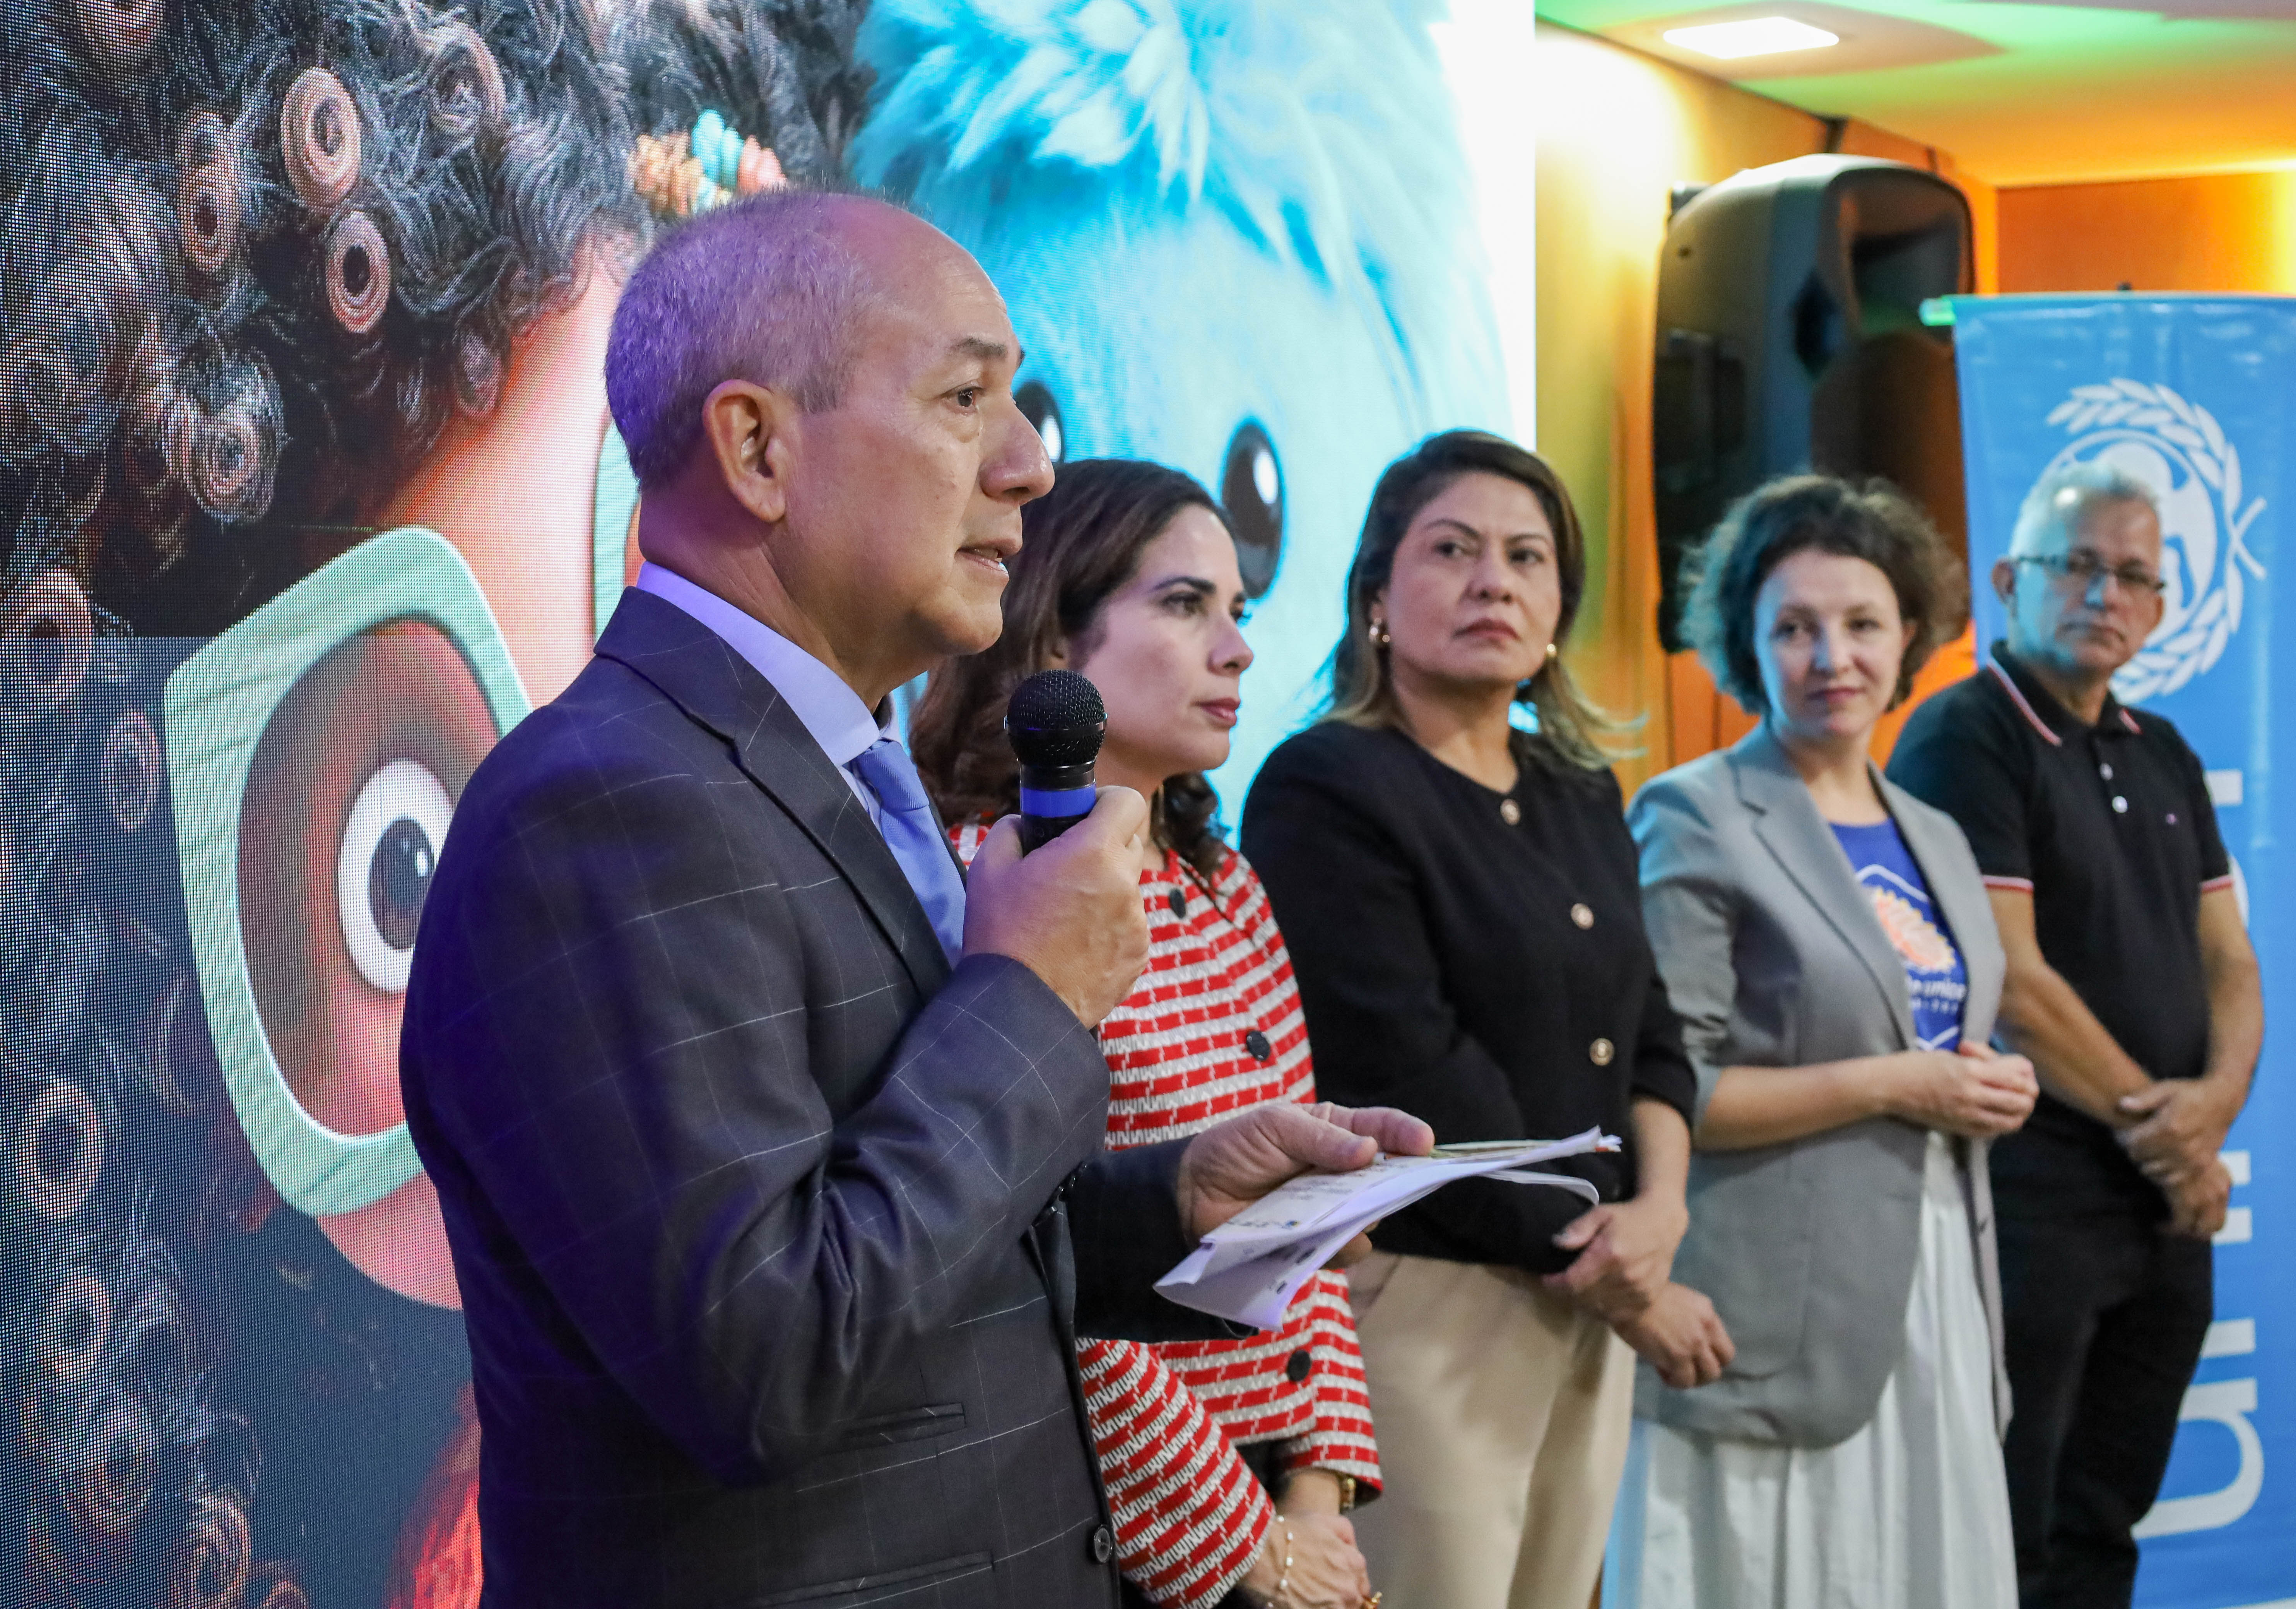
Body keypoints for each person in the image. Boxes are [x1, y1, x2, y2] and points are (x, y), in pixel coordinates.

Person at [397, 191, 1431, 1608]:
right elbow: (765, 1356)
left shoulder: (822, 770)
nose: (1028, 466)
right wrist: (1031, 999)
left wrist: (1174, 1202)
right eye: (964, 400)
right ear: (758, 448)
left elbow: (908, 1253)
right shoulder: (605, 811)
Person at [1243, 430, 1730, 1609]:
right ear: (1376, 593)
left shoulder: (1580, 790)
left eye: (1526, 558)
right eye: (1452, 551)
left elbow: (1651, 1036)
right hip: (1427, 1305)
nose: (1493, 583)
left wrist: (1661, 1215)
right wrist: (1628, 1280)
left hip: (1591, 1290)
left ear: (1559, 607)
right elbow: (1415, 1072)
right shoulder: (1325, 786)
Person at [916, 458, 1381, 1609]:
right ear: (1054, 640)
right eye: (1184, 604)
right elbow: (1025, 1259)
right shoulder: (986, 882)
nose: (1238, 650)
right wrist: (1250, 1547)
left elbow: (1307, 1215)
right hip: (1108, 1518)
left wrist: (1314, 1498)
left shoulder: (1228, 887)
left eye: (1240, 610)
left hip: (1277, 1500)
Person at [1622, 475, 2037, 1608]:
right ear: (1748, 647)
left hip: (1940, 1281)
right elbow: (1674, 1089)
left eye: (1862, 624)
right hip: (1766, 1302)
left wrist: (1987, 1081)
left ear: (1911, 638)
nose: (1832, 657)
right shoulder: (1696, 812)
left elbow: (1941, 1034)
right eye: (1795, 628)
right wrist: (1899, 1083)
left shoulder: (1937, 833)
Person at [1887, 461, 2263, 1608]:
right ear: (2010, 581)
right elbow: (2008, 980)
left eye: (2134, 575)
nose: (2107, 595)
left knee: (2107, 1516)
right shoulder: (1966, 737)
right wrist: (2176, 1143)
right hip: (2032, 1195)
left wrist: (2210, 1116)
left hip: (2158, 1201)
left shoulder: (2165, 750)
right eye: (2080, 566)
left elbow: (2232, 961)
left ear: (2160, 606)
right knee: (2010, 1524)